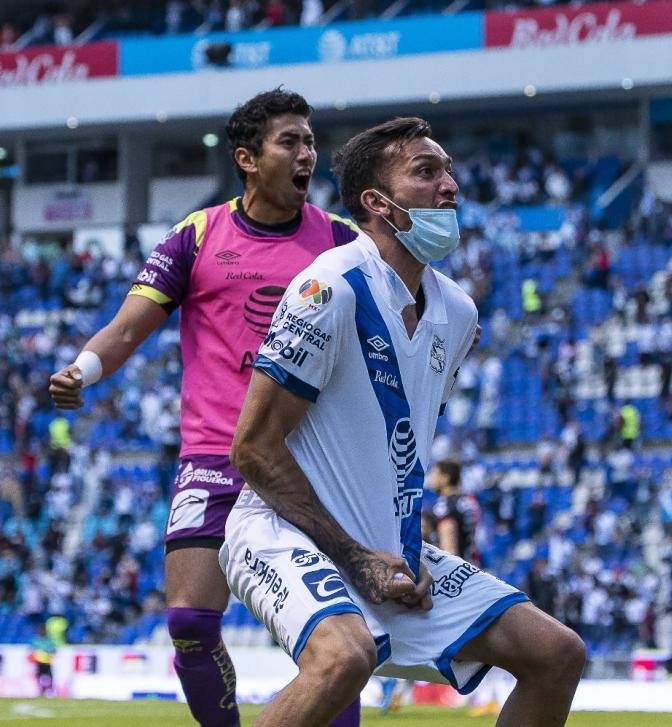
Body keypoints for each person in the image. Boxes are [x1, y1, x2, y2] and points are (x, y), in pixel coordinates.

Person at [221, 116, 586, 727]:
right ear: (377, 203)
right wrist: (357, 556)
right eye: (425, 171)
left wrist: (402, 547)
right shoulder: (329, 287)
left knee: (556, 654)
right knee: (343, 659)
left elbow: (401, 454)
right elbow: (252, 450)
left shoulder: (459, 311)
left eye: (448, 171)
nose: (449, 186)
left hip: (383, 548)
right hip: (282, 531)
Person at [48, 89, 360, 727]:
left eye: (310, 140)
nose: (307, 153)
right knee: (189, 622)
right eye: (290, 142)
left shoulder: (341, 242)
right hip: (216, 455)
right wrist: (83, 369)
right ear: (247, 158)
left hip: (311, 463)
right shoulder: (197, 234)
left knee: (336, 638)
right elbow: (130, 327)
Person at [424, 460, 480, 565]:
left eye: (434, 473)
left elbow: (449, 550)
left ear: (445, 478)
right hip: (471, 565)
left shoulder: (444, 507)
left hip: (455, 572)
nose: (431, 478)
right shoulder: (468, 501)